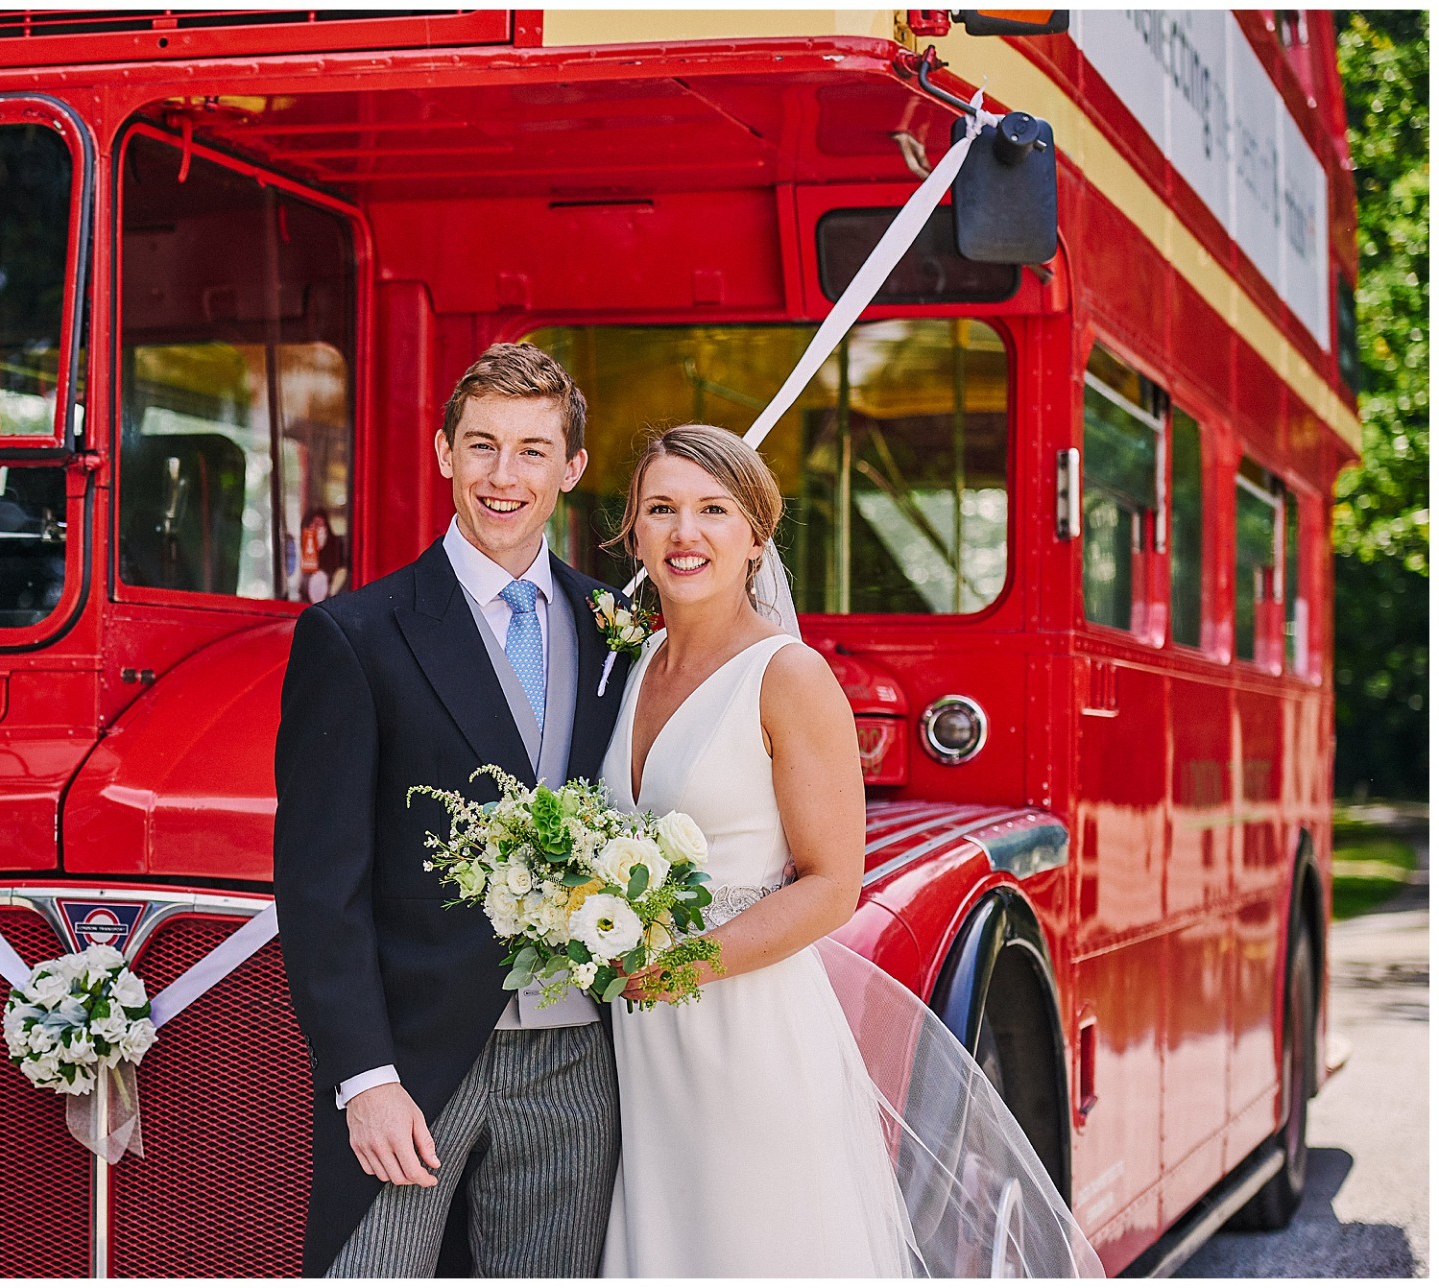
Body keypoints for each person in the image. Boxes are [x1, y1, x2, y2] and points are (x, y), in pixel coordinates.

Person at [597, 424, 1101, 1277]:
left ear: (756, 536)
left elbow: (833, 884)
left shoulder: (788, 676)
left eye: (713, 510)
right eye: (663, 509)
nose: (687, 534)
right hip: (639, 1042)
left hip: (746, 1030)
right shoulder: (632, 664)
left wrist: (679, 969)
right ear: (633, 532)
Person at [274, 343, 635, 1277]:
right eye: (481, 447)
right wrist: (365, 1080)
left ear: (572, 468)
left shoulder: (620, 635)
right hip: (414, 1068)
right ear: (442, 453)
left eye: (530, 450)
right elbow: (322, 887)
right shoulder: (353, 636)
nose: (502, 477)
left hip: (578, 1066)